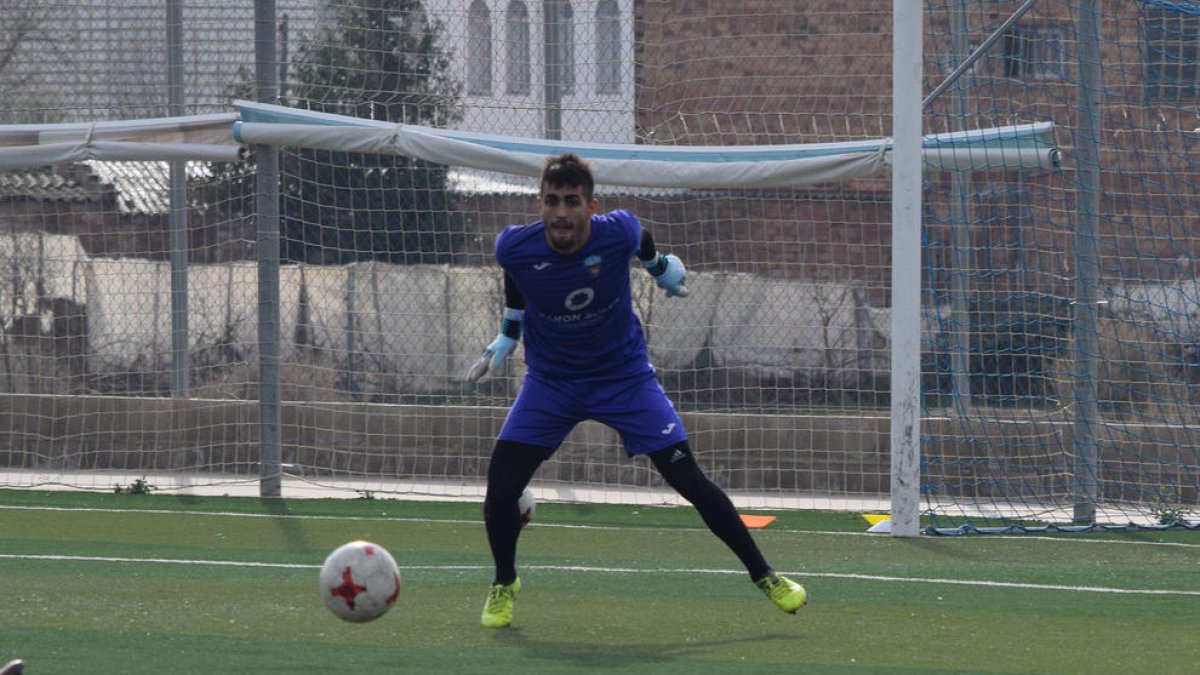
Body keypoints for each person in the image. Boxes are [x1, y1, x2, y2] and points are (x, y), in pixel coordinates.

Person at [468, 153, 806, 629]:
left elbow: (641, 240)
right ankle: (505, 582)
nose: (560, 213)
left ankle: (766, 576)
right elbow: (517, 282)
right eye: (551, 201)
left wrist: (658, 264)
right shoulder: (514, 246)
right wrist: (509, 332)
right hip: (552, 382)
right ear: (538, 203)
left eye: (571, 202)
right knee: (500, 489)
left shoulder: (619, 232)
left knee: (690, 481)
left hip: (623, 378)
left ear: (591, 205)